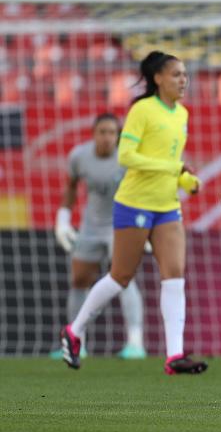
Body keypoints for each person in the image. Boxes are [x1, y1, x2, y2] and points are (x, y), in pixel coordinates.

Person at [60, 51, 207, 375]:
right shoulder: (142, 109)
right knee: (121, 276)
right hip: (135, 203)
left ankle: (174, 355)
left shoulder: (182, 114)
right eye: (176, 74)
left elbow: (172, 162)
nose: (183, 80)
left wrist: (185, 180)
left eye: (185, 74)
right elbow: (126, 156)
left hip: (167, 205)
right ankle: (74, 330)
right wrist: (172, 167)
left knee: (175, 276)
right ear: (158, 78)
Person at [52, 113, 146, 360]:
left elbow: (145, 191)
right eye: (102, 132)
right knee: (79, 280)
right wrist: (63, 218)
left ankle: (136, 343)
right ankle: (77, 342)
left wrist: (145, 225)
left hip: (122, 225)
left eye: (111, 133)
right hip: (91, 227)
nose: (106, 137)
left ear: (118, 136)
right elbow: (71, 187)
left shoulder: (129, 158)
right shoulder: (79, 156)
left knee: (124, 279)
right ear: (94, 134)